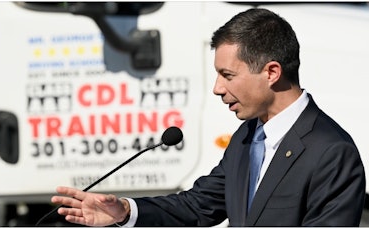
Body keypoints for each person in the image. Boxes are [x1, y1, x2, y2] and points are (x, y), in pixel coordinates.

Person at [50, 8, 366, 226]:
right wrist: (124, 212)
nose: (217, 88)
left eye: (227, 75)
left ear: (271, 72)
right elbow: (198, 206)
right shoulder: (248, 136)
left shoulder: (332, 153)